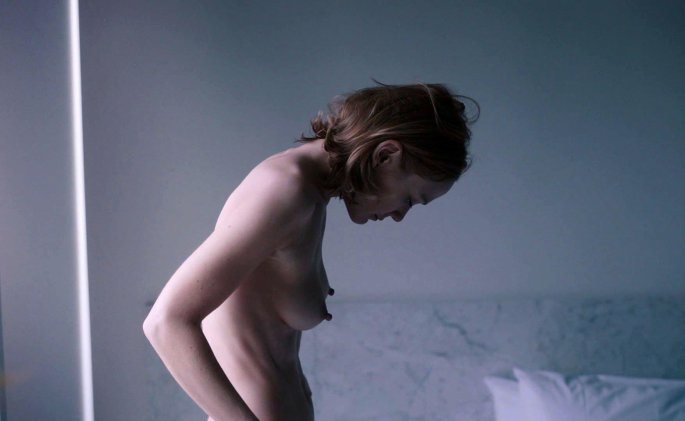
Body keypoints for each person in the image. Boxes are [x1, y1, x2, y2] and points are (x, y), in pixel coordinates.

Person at [143, 82, 477, 421]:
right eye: (410, 198)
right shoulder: (284, 190)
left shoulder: (309, 193)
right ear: (385, 155)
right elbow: (166, 322)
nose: (400, 215)